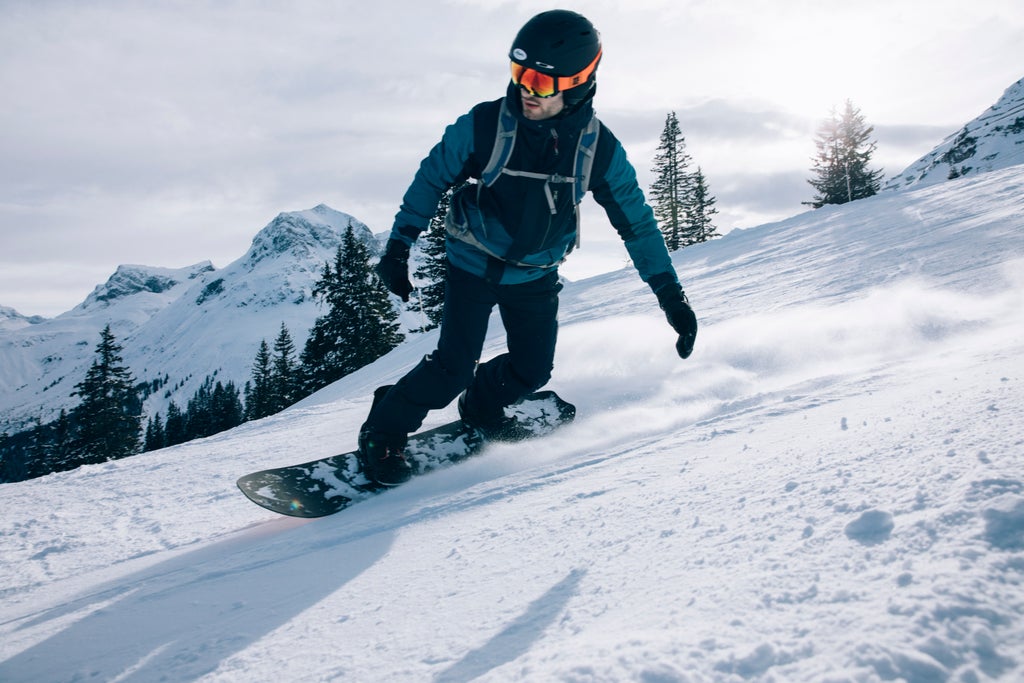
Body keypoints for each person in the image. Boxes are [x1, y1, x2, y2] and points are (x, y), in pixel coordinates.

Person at [358, 9, 698, 485]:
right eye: (519, 74)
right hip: (472, 264)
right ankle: (384, 428)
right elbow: (431, 177)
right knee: (452, 367)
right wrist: (398, 247)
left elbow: (637, 224)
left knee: (532, 371)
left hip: (535, 276)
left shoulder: (598, 150)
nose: (524, 89)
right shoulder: (484, 126)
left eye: (539, 80)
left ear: (577, 83)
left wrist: (670, 295)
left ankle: (481, 405)